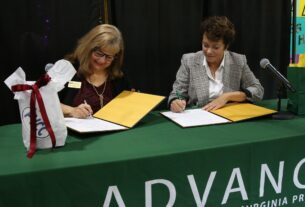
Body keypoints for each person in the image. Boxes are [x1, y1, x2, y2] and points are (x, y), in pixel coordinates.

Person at [168, 16, 264, 113]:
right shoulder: (189, 60)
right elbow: (176, 93)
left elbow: (258, 91)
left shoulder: (238, 61)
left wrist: (227, 96)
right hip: (197, 116)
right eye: (205, 45)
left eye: (216, 47)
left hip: (229, 116)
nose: (209, 51)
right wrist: (175, 102)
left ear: (226, 47)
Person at [60, 24, 132, 118]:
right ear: (88, 48)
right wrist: (72, 111)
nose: (102, 61)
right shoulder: (67, 67)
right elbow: (42, 100)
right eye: (99, 54)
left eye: (109, 57)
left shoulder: (118, 74)